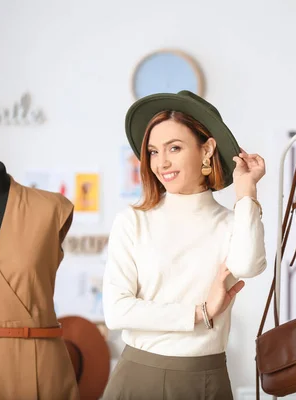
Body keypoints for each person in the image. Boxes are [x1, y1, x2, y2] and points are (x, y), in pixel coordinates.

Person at [102, 90, 267, 399]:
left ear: (207, 150)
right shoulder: (133, 221)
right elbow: (116, 311)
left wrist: (247, 192)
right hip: (139, 377)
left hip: (207, 378)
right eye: (152, 152)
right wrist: (199, 312)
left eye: (174, 148)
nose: (161, 162)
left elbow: (248, 266)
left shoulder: (233, 223)